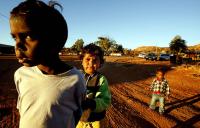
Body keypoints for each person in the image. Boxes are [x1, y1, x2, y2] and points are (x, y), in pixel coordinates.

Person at [10, 0, 86, 128]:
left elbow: (78, 114)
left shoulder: (75, 79)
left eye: (28, 36)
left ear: (54, 40)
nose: (17, 45)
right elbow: (23, 109)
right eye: (15, 37)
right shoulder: (20, 74)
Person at [76, 44, 111, 128]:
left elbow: (105, 101)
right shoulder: (76, 76)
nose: (91, 63)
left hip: (96, 121)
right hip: (79, 119)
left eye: (95, 60)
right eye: (87, 59)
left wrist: (92, 103)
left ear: (100, 63)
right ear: (82, 61)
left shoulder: (101, 79)